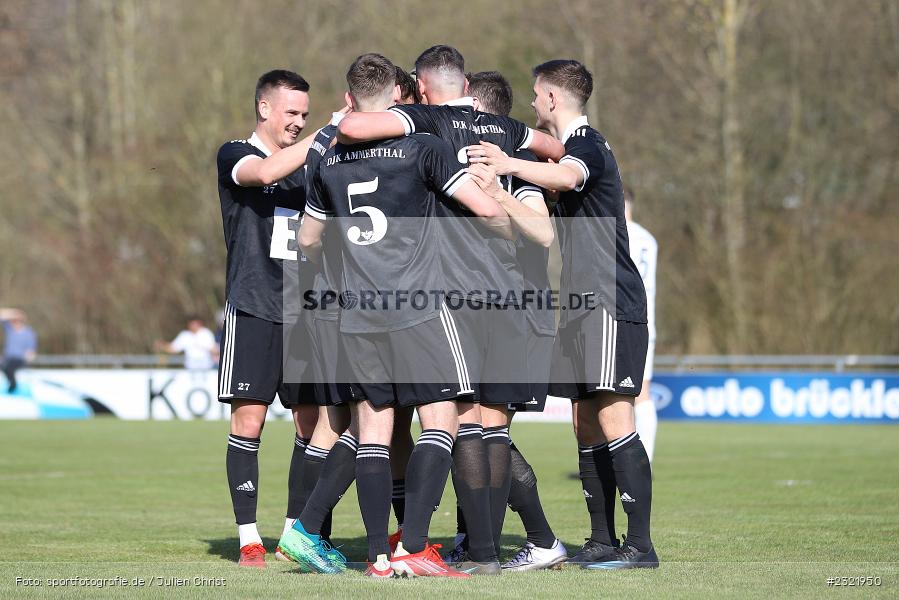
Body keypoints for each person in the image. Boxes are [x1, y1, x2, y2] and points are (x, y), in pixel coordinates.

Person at [284, 53, 516, 578]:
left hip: (357, 312)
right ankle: (415, 545)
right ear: (395, 96)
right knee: (440, 421)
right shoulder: (423, 148)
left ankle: (377, 558)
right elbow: (485, 210)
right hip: (417, 306)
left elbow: (309, 239)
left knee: (373, 431)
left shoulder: (329, 161)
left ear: (350, 98)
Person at [337, 45, 563, 574]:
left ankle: (478, 548)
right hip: (509, 299)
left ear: (420, 84)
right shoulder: (505, 134)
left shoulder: (425, 124)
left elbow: (356, 128)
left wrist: (341, 124)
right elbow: (552, 146)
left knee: (462, 426)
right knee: (492, 431)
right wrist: (516, 166)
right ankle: (489, 546)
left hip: (453, 298)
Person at [468, 59, 658, 569]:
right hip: (577, 306)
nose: (532, 104)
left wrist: (506, 166)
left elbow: (565, 175)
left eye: (536, 95)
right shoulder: (569, 150)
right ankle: (600, 541)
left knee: (616, 416)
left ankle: (640, 547)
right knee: (586, 423)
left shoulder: (588, 146)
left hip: (610, 299)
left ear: (552, 98)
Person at [215, 69, 324, 568]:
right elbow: (262, 175)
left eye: (306, 114)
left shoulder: (309, 168)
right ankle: (248, 538)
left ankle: (292, 535)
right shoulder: (235, 153)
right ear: (264, 108)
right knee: (249, 421)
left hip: (304, 316)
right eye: (291, 112)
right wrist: (328, 136)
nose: (300, 122)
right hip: (254, 307)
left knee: (310, 423)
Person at [464, 71, 567, 571]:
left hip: (521, 313)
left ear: (484, 118)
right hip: (486, 310)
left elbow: (542, 235)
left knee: (489, 428)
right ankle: (479, 537)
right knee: (474, 426)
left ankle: (540, 540)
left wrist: (499, 191)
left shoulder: (518, 170)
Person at [625, 186, 659, 463]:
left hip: (629, 319)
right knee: (640, 392)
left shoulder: (623, 235)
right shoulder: (648, 237)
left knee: (638, 394)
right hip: (647, 320)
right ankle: (640, 457)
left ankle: (642, 459)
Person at [0, 308, 37, 393]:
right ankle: (12, 384)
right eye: (13, 321)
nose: (14, 323)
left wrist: (30, 355)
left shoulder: (28, 332)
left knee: (8, 367)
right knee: (5, 365)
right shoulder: (10, 330)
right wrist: (14, 313)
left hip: (19, 359)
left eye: (17, 321)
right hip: (8, 358)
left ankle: (13, 385)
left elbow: (31, 348)